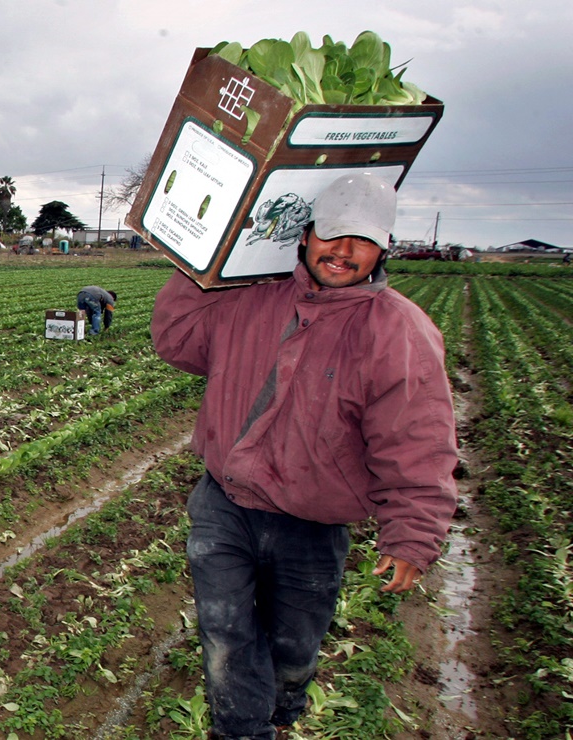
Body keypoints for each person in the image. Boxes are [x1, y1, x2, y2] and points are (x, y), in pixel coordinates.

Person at [150, 172, 458, 740]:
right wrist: (199, 262)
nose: (343, 252)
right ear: (306, 235)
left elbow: (416, 438)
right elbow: (176, 341)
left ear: (383, 248)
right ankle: (241, 730)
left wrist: (412, 533)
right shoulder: (249, 298)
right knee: (226, 635)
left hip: (312, 523)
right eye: (332, 234)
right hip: (227, 504)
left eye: (361, 241)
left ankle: (284, 707)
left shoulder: (397, 331)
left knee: (294, 648)